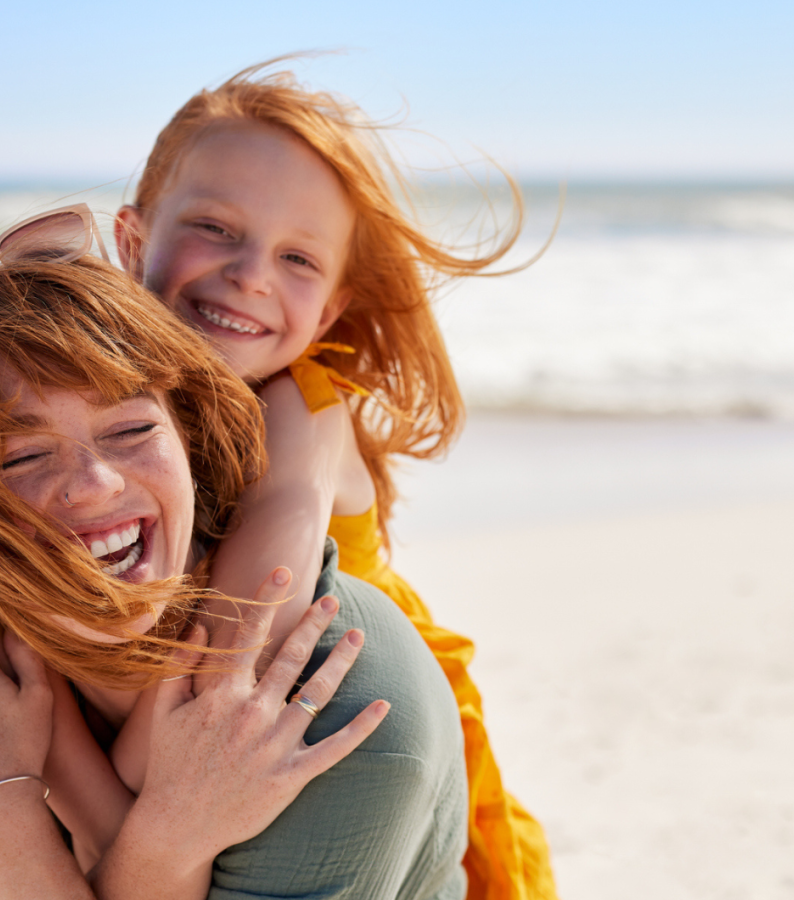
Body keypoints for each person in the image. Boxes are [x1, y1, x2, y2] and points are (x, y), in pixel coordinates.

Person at [0, 218, 468, 899]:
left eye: (131, 428)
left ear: (187, 437)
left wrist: (6, 807)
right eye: (23, 456)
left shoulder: (339, 706)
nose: (95, 483)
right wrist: (149, 833)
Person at [111, 61, 558, 900]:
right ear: (133, 239)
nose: (251, 274)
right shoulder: (112, 407)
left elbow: (256, 614)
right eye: (215, 225)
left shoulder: (304, 407)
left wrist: (123, 775)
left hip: (370, 744)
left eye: (297, 258)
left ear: (330, 313)